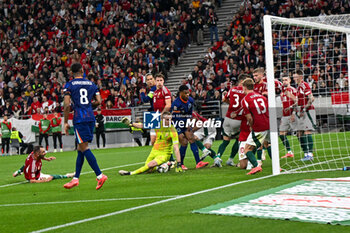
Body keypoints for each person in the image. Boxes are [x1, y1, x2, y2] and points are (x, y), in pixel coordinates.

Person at [63, 63, 107, 190]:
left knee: (84, 147)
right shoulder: (91, 84)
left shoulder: (69, 85)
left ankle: (99, 175)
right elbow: (99, 101)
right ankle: (76, 178)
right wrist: (88, 105)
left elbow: (66, 105)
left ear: (72, 72)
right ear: (82, 70)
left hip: (80, 119)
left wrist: (66, 122)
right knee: (80, 148)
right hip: (90, 117)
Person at [213, 74, 248, 167]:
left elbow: (224, 99)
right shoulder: (245, 91)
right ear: (242, 81)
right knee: (238, 140)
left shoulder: (232, 89)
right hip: (237, 119)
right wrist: (237, 111)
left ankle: (218, 157)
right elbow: (244, 105)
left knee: (225, 141)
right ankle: (231, 159)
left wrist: (232, 105)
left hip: (227, 118)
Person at [171, 85, 209, 169]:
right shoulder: (176, 104)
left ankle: (198, 162)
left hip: (185, 123)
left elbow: (190, 113)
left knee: (191, 139)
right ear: (180, 93)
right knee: (184, 142)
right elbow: (175, 117)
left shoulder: (190, 100)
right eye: (185, 93)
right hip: (177, 124)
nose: (187, 95)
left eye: (188, 93)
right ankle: (181, 164)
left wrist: (191, 121)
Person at [241, 78, 270, 175]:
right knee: (268, 145)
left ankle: (256, 166)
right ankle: (277, 166)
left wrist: (251, 126)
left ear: (244, 88)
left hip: (259, 126)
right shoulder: (262, 97)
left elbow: (249, 118)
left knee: (247, 149)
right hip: (269, 123)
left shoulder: (245, 99)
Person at [293, 70, 316, 161]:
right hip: (301, 112)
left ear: (301, 77)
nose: (294, 79)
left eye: (296, 77)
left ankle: (310, 154)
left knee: (307, 131)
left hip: (308, 111)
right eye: (294, 77)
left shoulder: (304, 85)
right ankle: (306, 152)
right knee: (299, 133)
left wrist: (305, 108)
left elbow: (311, 98)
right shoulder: (299, 87)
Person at [279, 75, 297, 158]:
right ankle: (289, 152)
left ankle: (307, 152)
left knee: (300, 134)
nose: (284, 81)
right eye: (283, 80)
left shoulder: (293, 90)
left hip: (293, 115)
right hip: (285, 116)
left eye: (286, 80)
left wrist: (293, 113)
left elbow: (298, 102)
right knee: (281, 134)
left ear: (290, 80)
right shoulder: (282, 92)